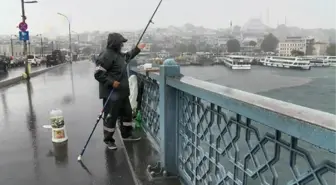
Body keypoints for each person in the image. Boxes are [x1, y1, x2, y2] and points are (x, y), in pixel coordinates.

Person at [94, 33, 146, 150]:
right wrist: (111, 82)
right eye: (121, 42)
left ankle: (127, 134)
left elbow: (128, 56)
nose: (122, 45)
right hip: (111, 94)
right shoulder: (106, 55)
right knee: (110, 117)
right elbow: (98, 73)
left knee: (127, 115)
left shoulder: (118, 55)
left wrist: (137, 49)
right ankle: (108, 140)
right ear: (115, 43)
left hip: (122, 93)